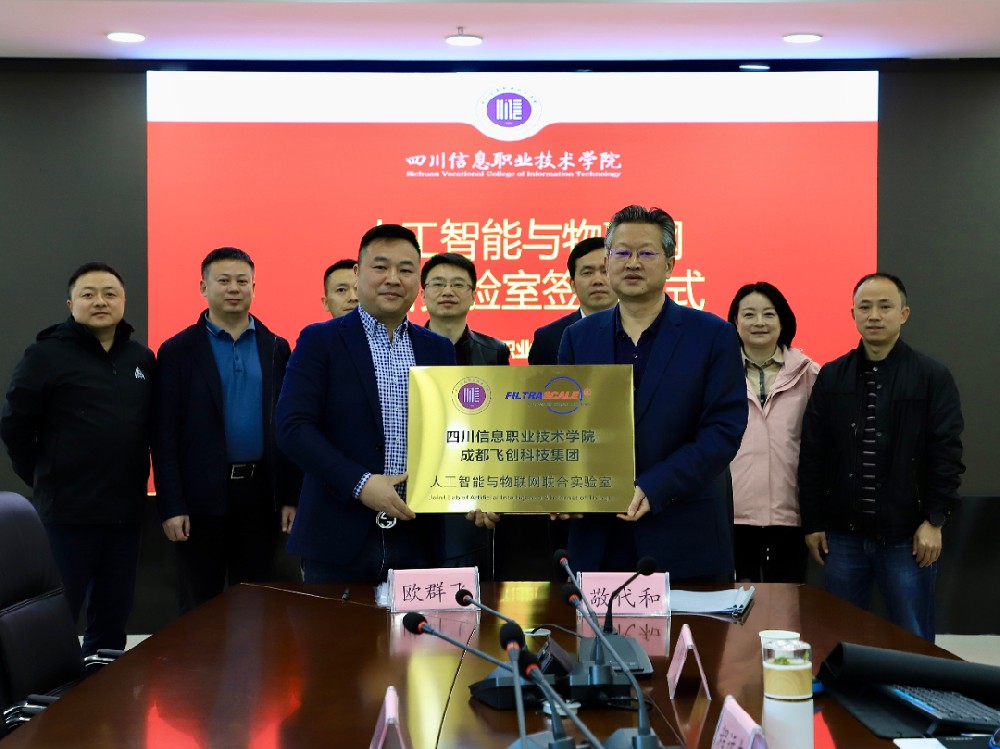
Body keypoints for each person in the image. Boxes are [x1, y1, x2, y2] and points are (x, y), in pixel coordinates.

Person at [558, 205, 747, 581]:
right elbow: (563, 425)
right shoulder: (578, 337)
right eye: (621, 252)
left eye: (646, 253)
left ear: (670, 264)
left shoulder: (712, 335)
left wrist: (655, 485)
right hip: (598, 538)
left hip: (684, 532)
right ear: (607, 261)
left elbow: (723, 431)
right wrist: (556, 486)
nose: (632, 263)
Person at [276, 224, 467, 584]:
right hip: (337, 535)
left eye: (406, 269)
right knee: (333, 626)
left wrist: (478, 490)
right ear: (358, 272)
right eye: (381, 267)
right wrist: (361, 484)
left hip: (418, 536)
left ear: (418, 280)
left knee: (417, 625)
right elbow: (293, 428)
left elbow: (452, 433)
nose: (393, 278)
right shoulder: (320, 340)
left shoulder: (437, 348)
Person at [798, 273, 964, 641]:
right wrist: (812, 522)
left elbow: (947, 454)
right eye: (865, 307)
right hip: (842, 537)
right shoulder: (832, 375)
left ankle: (916, 684)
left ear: (904, 314)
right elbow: (813, 453)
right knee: (840, 639)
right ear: (853, 314)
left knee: (913, 640)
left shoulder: (932, 376)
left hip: (907, 536)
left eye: (885, 306)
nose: (874, 315)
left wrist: (935, 520)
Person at [1, 262, 154, 655]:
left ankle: (103, 685)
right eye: (89, 294)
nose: (100, 301)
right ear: (71, 304)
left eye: (109, 293)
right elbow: (15, 424)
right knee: (55, 616)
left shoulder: (140, 358)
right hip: (67, 513)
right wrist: (44, 474)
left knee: (113, 613)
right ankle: (48, 690)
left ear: (123, 301)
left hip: (124, 513)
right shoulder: (45, 355)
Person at [152, 247, 300, 614]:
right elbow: (164, 434)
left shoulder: (276, 347)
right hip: (199, 498)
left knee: (255, 603)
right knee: (199, 607)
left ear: (254, 287)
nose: (234, 288)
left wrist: (290, 496)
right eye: (223, 280)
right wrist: (172, 505)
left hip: (260, 496)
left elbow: (290, 427)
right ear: (203, 287)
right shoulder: (177, 350)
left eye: (242, 281)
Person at [727, 282, 819, 583]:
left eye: (769, 314)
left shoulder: (810, 375)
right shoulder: (717, 374)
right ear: (735, 321)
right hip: (732, 516)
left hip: (790, 517)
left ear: (783, 321)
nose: (759, 322)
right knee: (735, 606)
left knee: (786, 606)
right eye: (749, 314)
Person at [528, 236, 615, 365]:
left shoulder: (640, 330)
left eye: (606, 271)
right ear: (572, 284)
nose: (598, 280)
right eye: (587, 273)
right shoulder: (548, 338)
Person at [421, 252, 511, 365]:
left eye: (458, 284)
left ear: (473, 296)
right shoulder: (408, 347)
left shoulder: (495, 352)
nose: (448, 292)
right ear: (423, 295)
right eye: (438, 284)